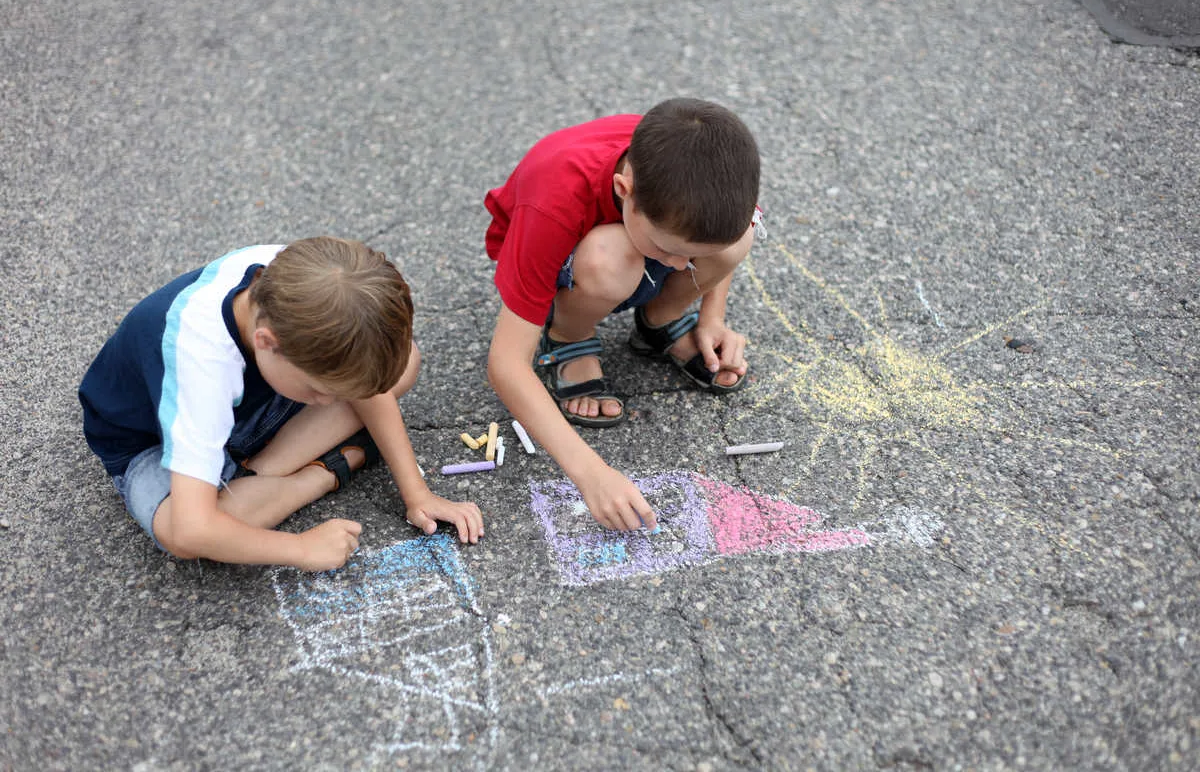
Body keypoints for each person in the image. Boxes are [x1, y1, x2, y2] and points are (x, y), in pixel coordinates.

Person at [79, 236, 483, 571]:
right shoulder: (201, 363)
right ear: (266, 342)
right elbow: (189, 531)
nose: (333, 402)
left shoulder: (298, 281)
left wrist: (418, 496)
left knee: (400, 363)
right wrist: (301, 549)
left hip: (245, 404)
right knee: (189, 529)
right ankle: (317, 475)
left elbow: (365, 386)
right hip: (151, 443)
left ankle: (255, 474)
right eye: (319, 391)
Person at [484, 97, 762, 533]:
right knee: (609, 260)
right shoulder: (553, 200)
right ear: (622, 189)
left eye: (690, 256)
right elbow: (505, 363)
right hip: (570, 254)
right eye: (667, 250)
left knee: (738, 238)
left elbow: (713, 237)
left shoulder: (714, 174)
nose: (678, 266)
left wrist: (712, 317)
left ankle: (659, 323)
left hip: (628, 236)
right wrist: (591, 475)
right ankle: (568, 335)